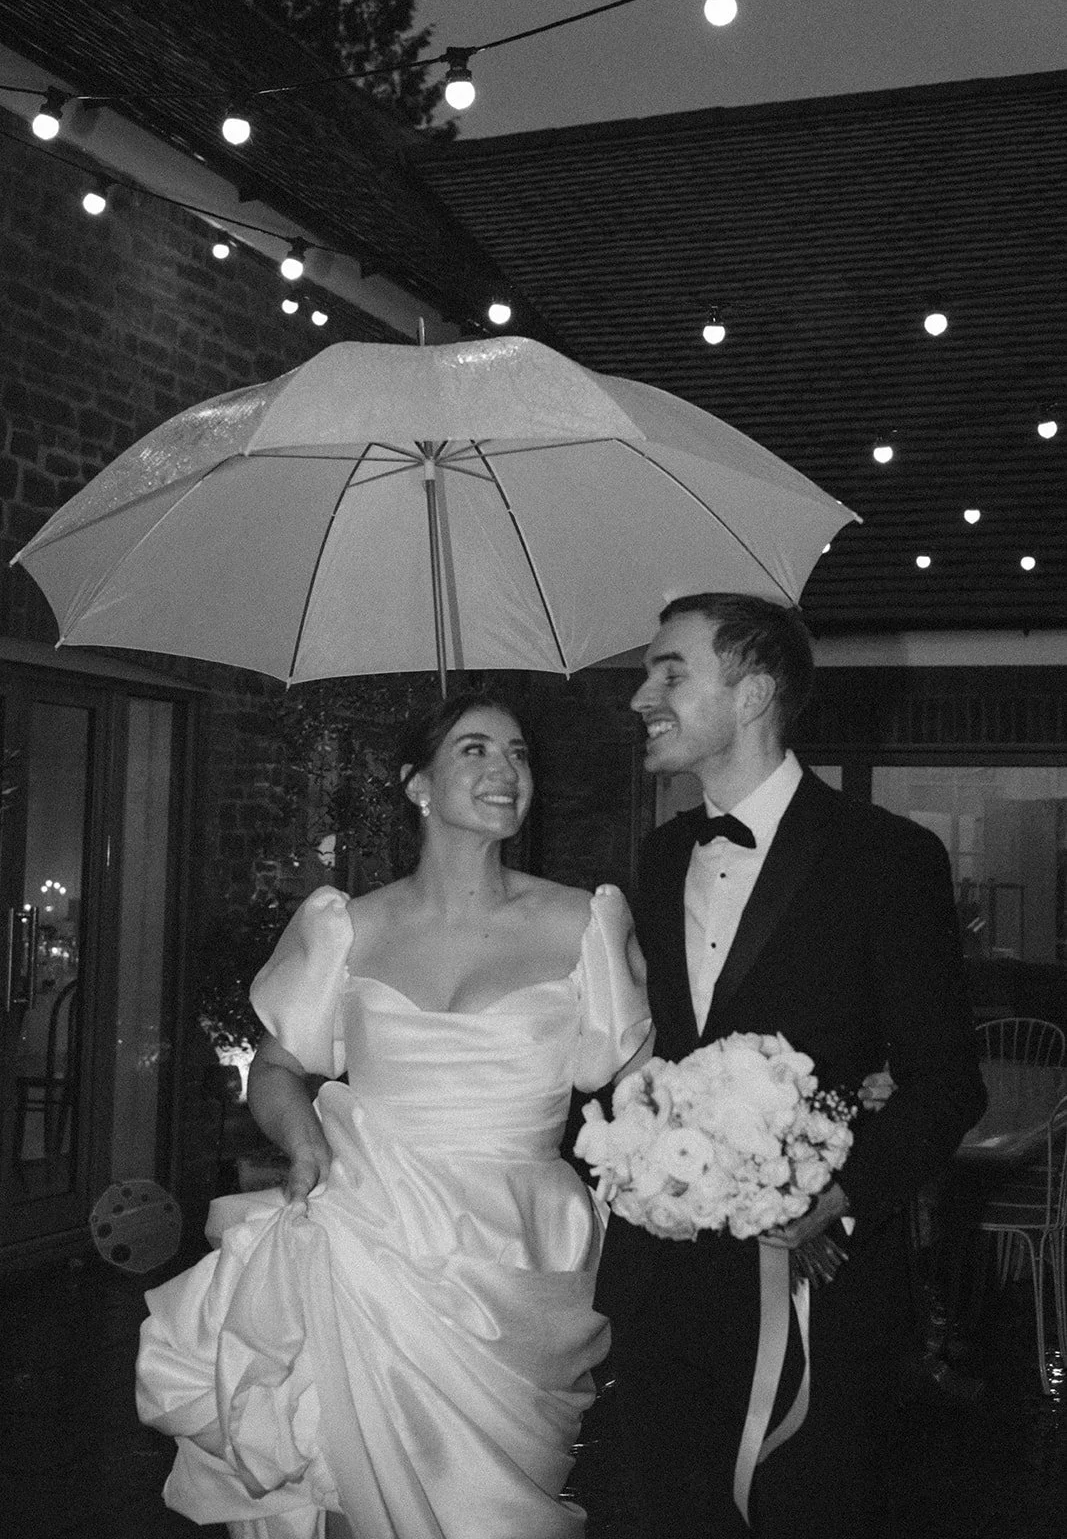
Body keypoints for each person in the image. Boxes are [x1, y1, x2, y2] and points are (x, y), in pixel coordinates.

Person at [137, 688, 651, 1539]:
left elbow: (635, 1083)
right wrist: (303, 1146)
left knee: (497, 1509)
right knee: (345, 1481)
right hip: (367, 1237)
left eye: (518, 753)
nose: (505, 770)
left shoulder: (582, 920)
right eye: (475, 750)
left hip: (513, 1253)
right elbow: (275, 1068)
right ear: (417, 785)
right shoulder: (347, 926)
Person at [594, 593, 987, 1539]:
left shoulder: (886, 857)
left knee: (803, 1508)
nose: (642, 695)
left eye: (669, 672)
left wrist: (836, 1191)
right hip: (668, 1282)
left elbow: (944, 1083)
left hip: (820, 1281)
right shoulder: (653, 858)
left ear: (754, 691)